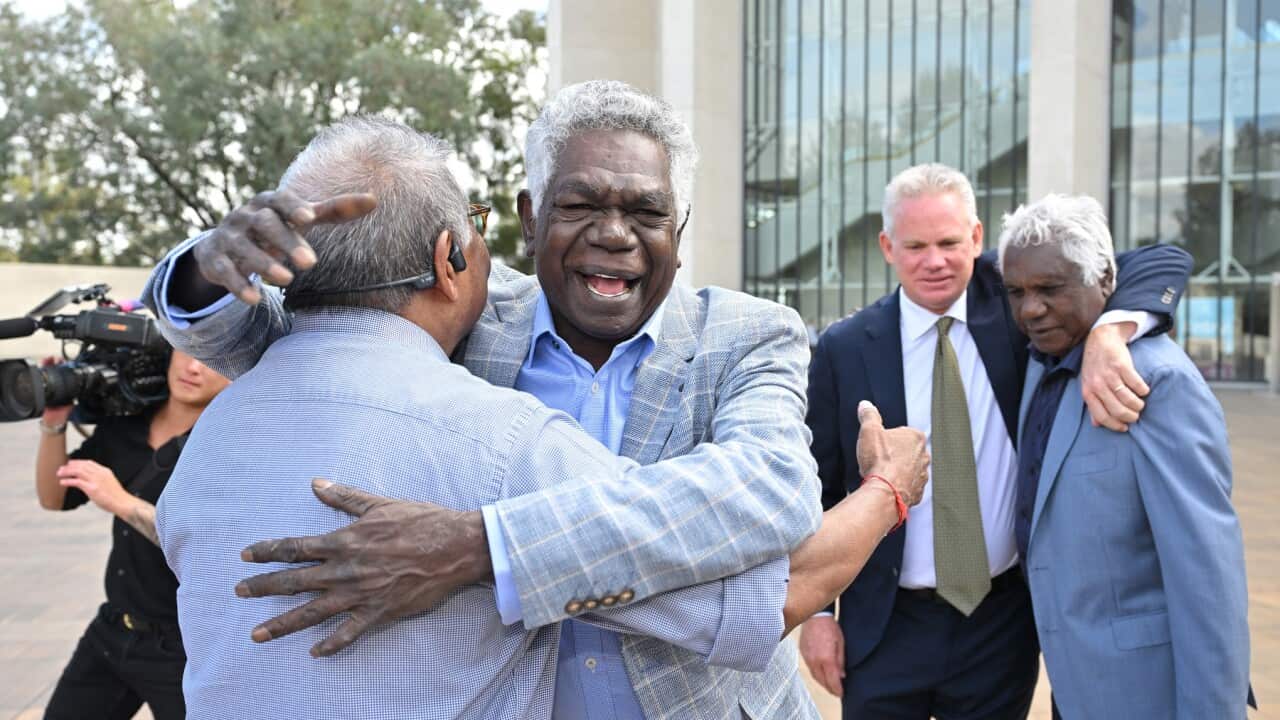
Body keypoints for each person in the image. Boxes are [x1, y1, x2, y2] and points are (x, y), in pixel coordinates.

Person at [152, 113, 930, 720]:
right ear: (522, 221)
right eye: (581, 203)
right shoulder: (469, 328)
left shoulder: (747, 333)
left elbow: (770, 494)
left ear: (680, 232)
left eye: (648, 210)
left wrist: (484, 544)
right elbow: (324, 335)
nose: (616, 232)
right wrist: (199, 273)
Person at [798, 164, 1193, 719]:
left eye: (949, 242)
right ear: (888, 246)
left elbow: (1160, 262)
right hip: (884, 625)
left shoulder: (1018, 304)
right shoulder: (843, 348)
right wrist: (818, 617)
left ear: (977, 238)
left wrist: (1113, 328)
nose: (934, 260)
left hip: (999, 621)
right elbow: (814, 491)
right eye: (915, 246)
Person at [999, 193, 1250, 719]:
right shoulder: (1044, 359)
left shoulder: (1155, 381)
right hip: (1075, 686)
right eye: (1016, 292)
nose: (1030, 309)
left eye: (1050, 289)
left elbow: (1206, 579)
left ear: (1107, 281)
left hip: (1150, 694)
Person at [34, 348, 231, 720]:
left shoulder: (226, 446)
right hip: (113, 631)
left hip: (184, 648)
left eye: (211, 358)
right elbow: (53, 497)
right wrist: (54, 423)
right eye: (186, 351)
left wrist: (121, 501)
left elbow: (207, 546)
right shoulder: (125, 425)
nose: (192, 367)